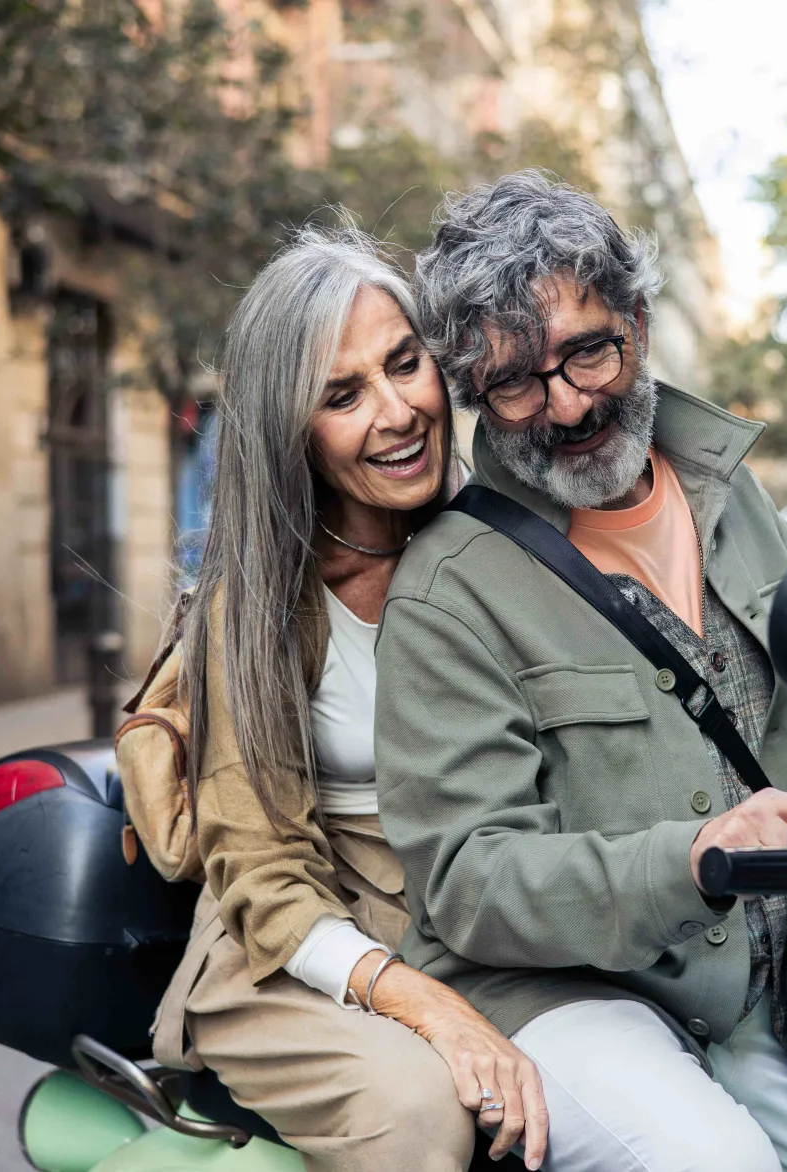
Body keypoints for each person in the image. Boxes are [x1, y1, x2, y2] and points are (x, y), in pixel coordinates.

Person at [374, 172, 787, 1172]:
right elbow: (468, 876)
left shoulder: (729, 493)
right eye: (515, 380)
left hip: (755, 996)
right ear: (472, 394)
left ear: (637, 320)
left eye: (587, 349)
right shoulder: (448, 586)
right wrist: (697, 853)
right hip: (566, 999)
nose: (567, 402)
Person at [148, 226, 547, 1171]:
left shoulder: (504, 542)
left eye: (404, 364)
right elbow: (264, 874)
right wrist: (425, 1004)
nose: (398, 410)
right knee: (421, 1112)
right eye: (342, 394)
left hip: (466, 922)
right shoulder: (255, 606)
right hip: (291, 946)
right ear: (292, 427)